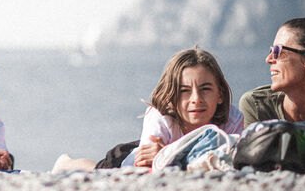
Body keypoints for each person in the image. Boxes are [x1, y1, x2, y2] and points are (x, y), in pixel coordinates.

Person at [52, 47, 243, 172]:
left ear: (220, 93)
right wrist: (163, 157)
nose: (196, 99)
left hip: (168, 146)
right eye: (184, 91)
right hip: (129, 158)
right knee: (96, 170)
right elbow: (148, 168)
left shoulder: (232, 120)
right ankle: (66, 162)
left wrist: (167, 155)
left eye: (205, 89)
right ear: (170, 97)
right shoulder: (160, 117)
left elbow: (235, 161)